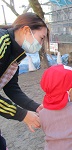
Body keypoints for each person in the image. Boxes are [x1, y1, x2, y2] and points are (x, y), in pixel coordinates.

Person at [0, 12, 49, 149]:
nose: (40, 44)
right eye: (41, 38)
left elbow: (11, 88)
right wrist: (23, 115)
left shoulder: (17, 53)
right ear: (27, 30)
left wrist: (35, 107)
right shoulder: (2, 42)